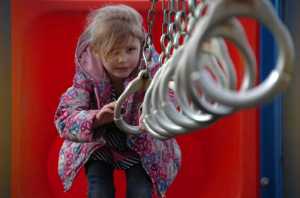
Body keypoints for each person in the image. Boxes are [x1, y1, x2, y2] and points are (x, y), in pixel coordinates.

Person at [54, 4, 181, 198]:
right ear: (96, 50)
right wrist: (96, 118)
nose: (122, 59)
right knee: (99, 190)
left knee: (140, 191)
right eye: (113, 51)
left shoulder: (150, 69)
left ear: (141, 45)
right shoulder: (87, 77)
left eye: (130, 49)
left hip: (141, 142)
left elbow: (171, 98)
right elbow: (64, 118)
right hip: (100, 142)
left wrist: (154, 114)